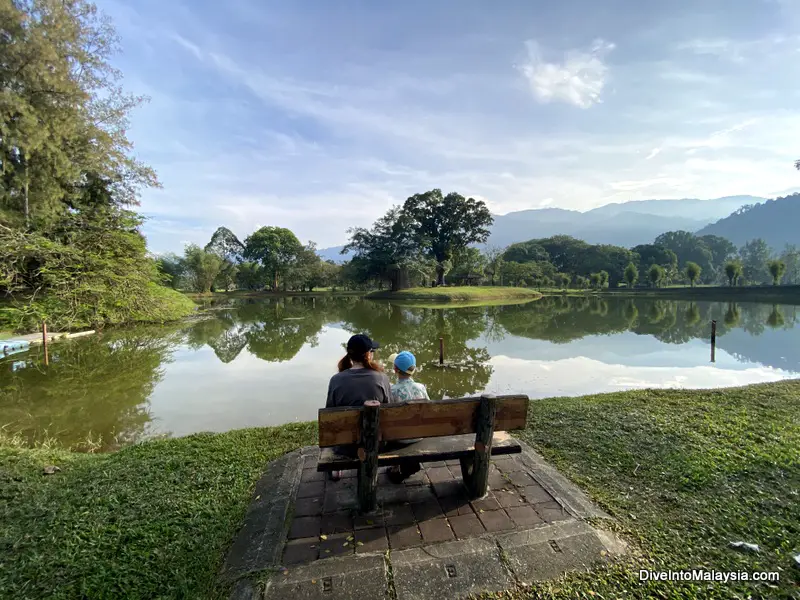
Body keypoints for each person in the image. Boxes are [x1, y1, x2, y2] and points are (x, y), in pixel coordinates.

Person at [325, 334, 391, 480]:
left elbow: (330, 414)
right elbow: (389, 412)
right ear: (368, 355)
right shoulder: (382, 378)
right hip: (376, 445)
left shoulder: (336, 380)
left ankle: (336, 469)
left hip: (344, 446)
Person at [386, 350, 428, 483]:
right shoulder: (421, 387)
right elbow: (429, 409)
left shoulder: (391, 390)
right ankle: (407, 465)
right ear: (414, 369)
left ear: (395, 369)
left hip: (400, 438)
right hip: (419, 435)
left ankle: (396, 468)